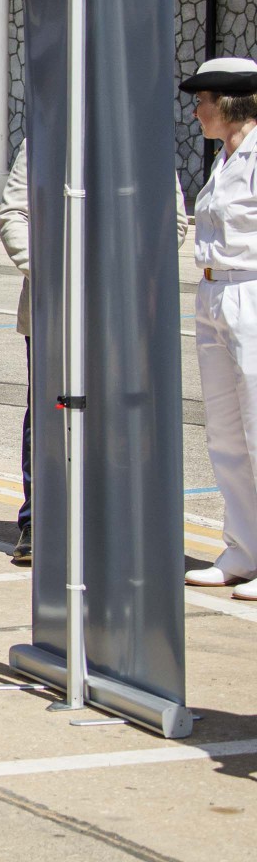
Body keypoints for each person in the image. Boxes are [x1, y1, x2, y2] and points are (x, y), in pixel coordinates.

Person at [0, 139, 188, 570]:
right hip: (55, 308)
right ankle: (39, 520)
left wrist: (126, 272)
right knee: (48, 415)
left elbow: (172, 221)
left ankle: (115, 517)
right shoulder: (44, 136)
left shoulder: (137, 132)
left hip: (122, 309)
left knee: (121, 415)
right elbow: (13, 214)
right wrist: (53, 275)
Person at [180, 58, 257, 596]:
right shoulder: (225, 158)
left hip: (250, 289)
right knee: (226, 432)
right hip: (213, 292)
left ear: (227, 103)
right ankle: (243, 549)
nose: (196, 111)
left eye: (202, 101)